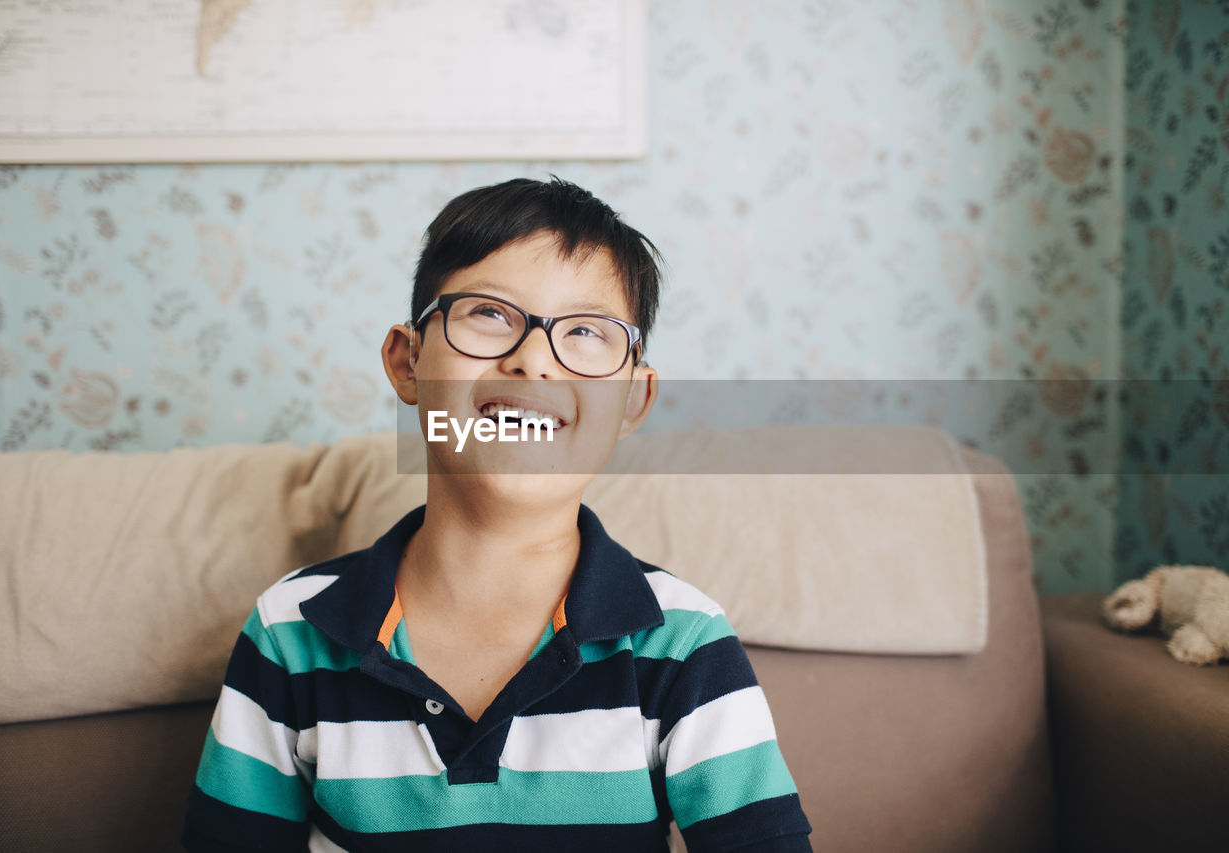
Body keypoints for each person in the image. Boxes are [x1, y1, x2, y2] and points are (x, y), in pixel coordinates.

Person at [181, 177, 814, 852]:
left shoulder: (684, 643)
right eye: (489, 314)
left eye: (586, 331)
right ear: (408, 361)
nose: (534, 359)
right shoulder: (290, 630)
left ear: (634, 398)